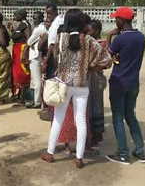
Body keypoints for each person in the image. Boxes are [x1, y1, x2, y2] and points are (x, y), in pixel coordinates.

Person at [40, 9, 111, 168]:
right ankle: (79, 158)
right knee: (80, 121)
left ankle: (50, 153)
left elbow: (56, 60)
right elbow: (107, 60)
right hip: (82, 85)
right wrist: (90, 67)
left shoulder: (60, 38)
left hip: (63, 85)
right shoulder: (89, 40)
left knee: (58, 119)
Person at [104, 7, 145, 165]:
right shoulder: (141, 37)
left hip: (119, 82)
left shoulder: (120, 39)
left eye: (116, 18)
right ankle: (140, 150)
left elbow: (108, 54)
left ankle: (123, 154)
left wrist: (109, 35)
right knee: (130, 115)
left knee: (118, 117)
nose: (115, 21)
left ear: (121, 20)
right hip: (133, 82)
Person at [87, 19, 110, 145]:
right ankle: (93, 132)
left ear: (95, 31)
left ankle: (96, 133)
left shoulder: (100, 43)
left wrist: (93, 66)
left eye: (89, 30)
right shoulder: (90, 42)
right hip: (92, 77)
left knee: (96, 105)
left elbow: (107, 62)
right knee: (91, 105)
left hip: (96, 78)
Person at [26, 10, 48, 108]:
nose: (34, 20)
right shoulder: (44, 28)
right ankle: (34, 99)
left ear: (41, 19)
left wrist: (29, 44)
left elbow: (29, 42)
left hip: (35, 56)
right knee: (35, 80)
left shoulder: (39, 29)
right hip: (39, 55)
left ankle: (37, 101)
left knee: (37, 80)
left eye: (35, 18)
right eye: (33, 18)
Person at [11, 9, 32, 103]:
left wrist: (25, 53)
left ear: (22, 15)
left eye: (16, 14)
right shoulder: (21, 24)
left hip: (22, 50)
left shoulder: (25, 25)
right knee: (17, 73)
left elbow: (29, 40)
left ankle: (23, 97)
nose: (14, 16)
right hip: (17, 50)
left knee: (22, 73)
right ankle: (19, 95)